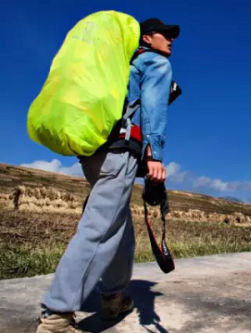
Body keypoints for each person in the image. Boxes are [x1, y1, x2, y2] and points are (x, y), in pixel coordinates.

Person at [35, 17, 180, 333]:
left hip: (93, 152)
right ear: (146, 38)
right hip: (120, 151)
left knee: (117, 224)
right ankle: (57, 315)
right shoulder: (154, 62)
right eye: (164, 34)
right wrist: (155, 155)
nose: (170, 40)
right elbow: (153, 110)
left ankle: (113, 297)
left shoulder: (119, 67)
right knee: (98, 229)